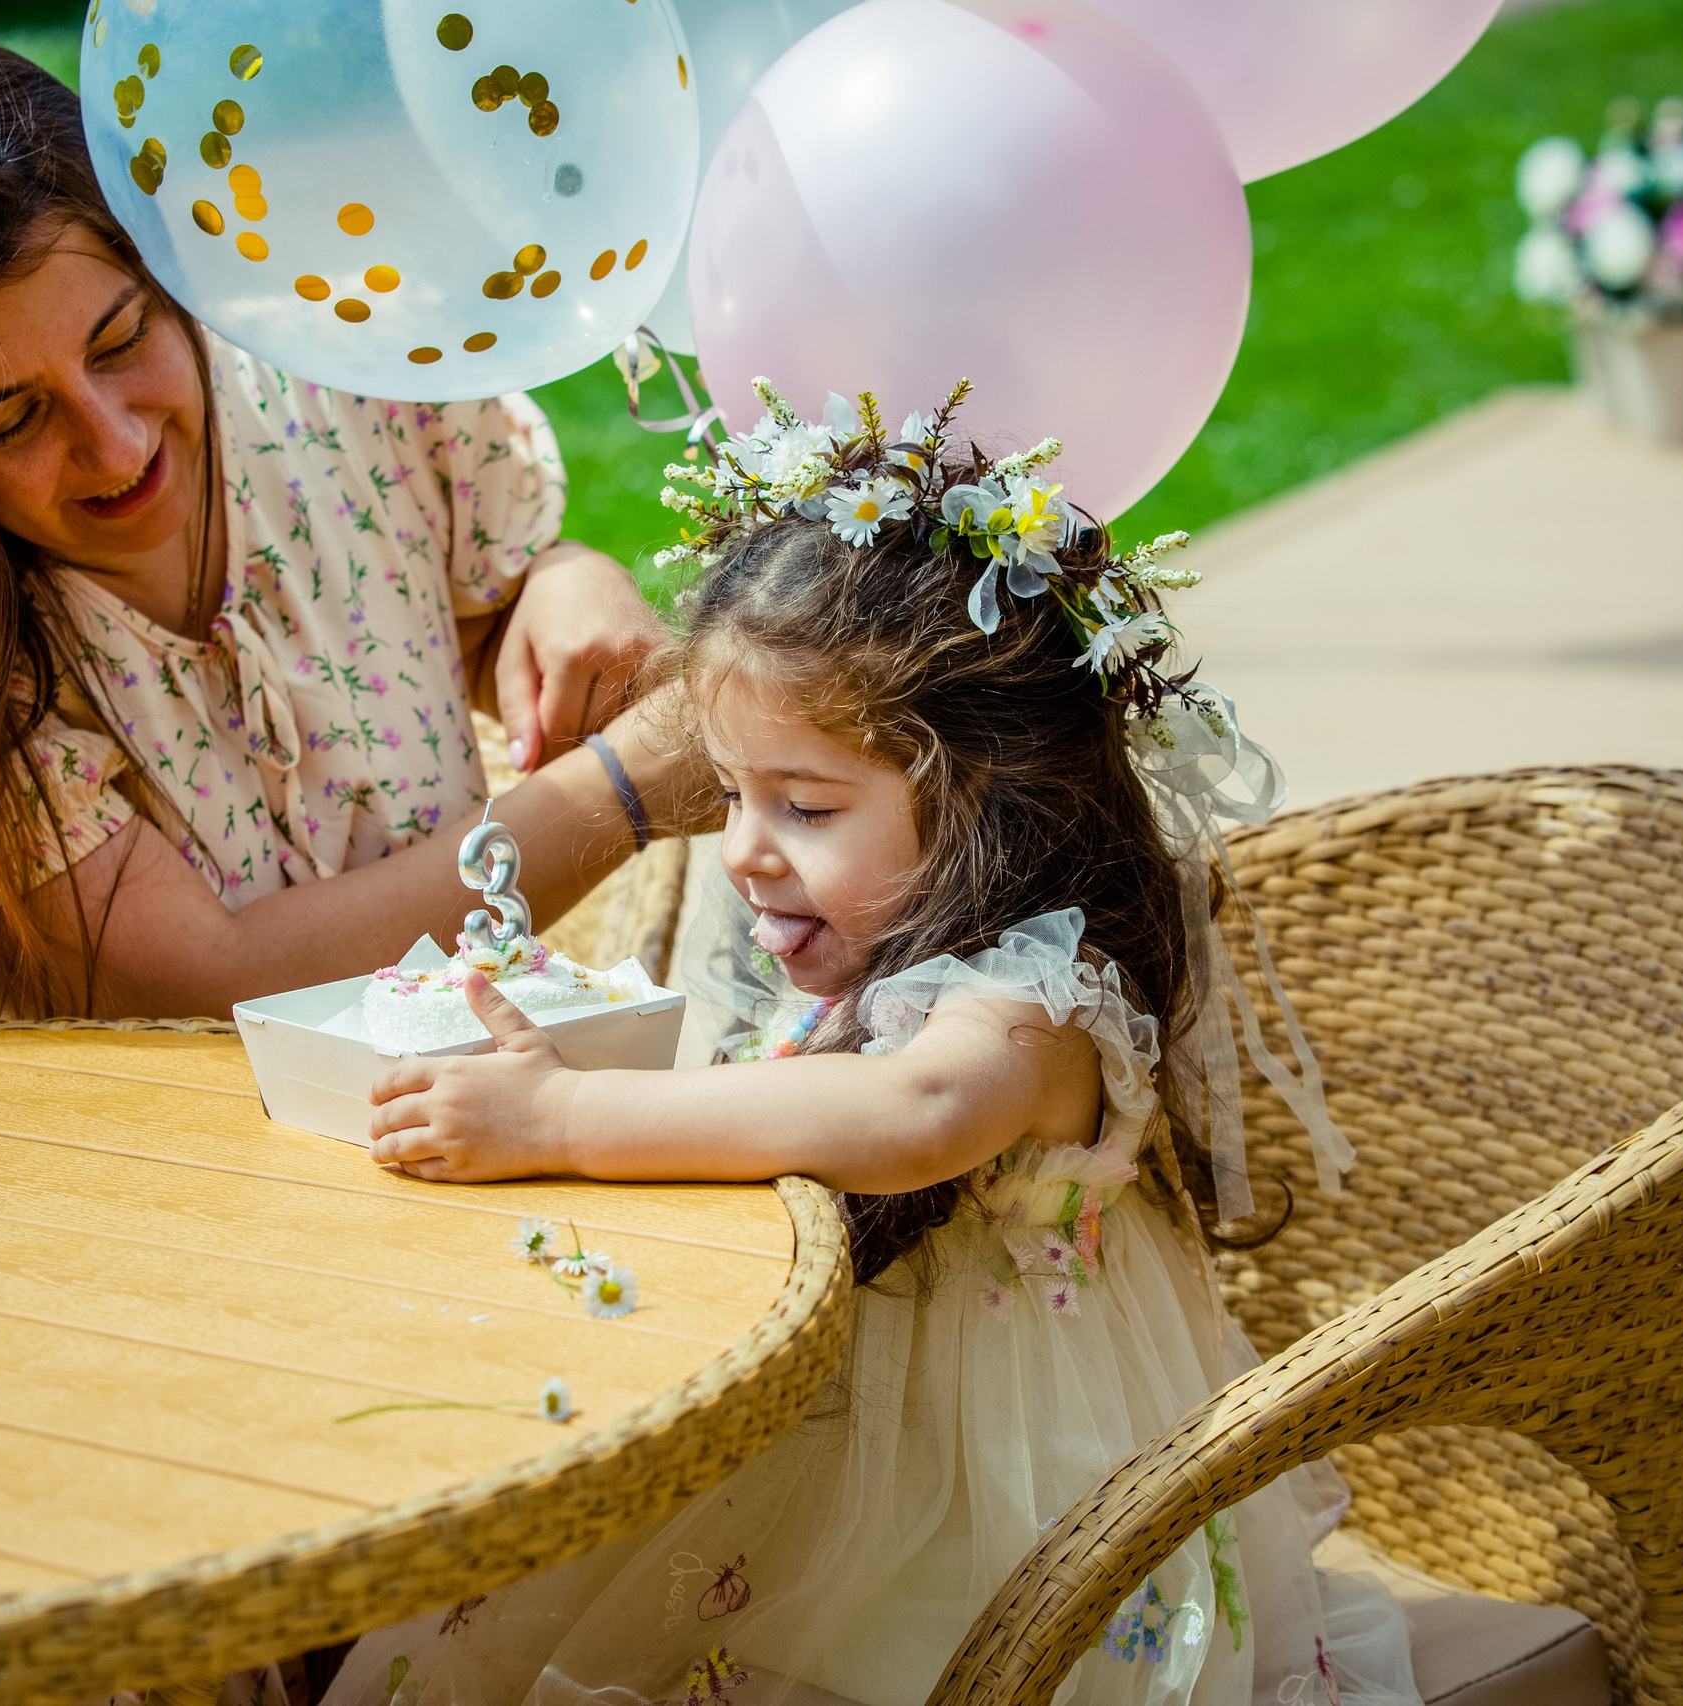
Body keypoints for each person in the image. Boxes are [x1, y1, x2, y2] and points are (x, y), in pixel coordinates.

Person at [342, 385, 1415, 1706]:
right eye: (730, 794)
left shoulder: (1037, 1004)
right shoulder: (877, 955)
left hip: (1019, 1517)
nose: (742, 849)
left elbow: (914, 1112)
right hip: (834, 1447)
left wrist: (561, 1120)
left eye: (803, 803)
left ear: (986, 801)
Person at [0, 30, 690, 1031]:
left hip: (468, 1107)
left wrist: (561, 582)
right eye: (11, 420)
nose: (114, 446)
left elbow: (453, 624)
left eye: (121, 338)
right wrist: (622, 790)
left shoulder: (339, 384)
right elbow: (226, 983)